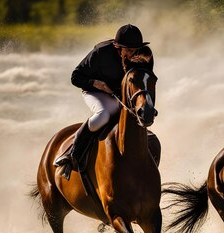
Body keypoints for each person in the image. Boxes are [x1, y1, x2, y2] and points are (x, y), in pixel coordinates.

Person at [54, 24, 151, 177]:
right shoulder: (100, 53)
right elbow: (75, 77)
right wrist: (96, 83)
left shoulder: (141, 54)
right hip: (95, 92)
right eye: (130, 51)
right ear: (118, 47)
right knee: (104, 114)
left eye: (135, 50)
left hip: (120, 95)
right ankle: (72, 153)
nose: (133, 55)